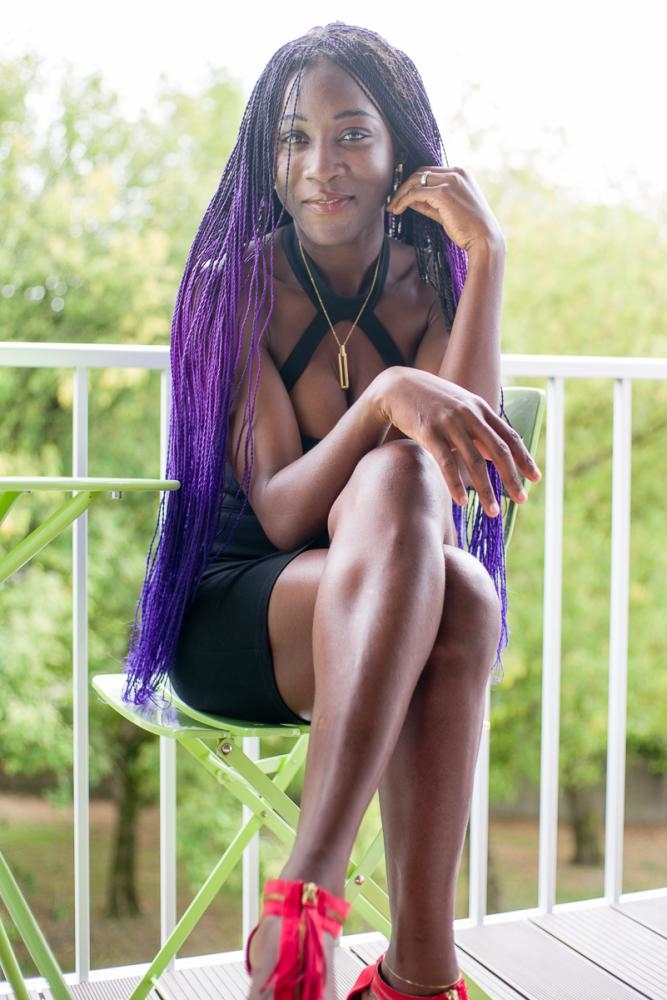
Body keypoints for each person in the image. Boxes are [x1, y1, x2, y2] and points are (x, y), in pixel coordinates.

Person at [124, 21, 541, 1000]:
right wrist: (384, 395)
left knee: (457, 582)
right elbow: (277, 512)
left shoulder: (432, 284)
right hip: (245, 614)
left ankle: (390, 960)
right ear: (268, 161)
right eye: (294, 139)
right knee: (417, 516)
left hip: (396, 612)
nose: (321, 165)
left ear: (401, 153)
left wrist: (486, 254)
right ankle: (333, 901)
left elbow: (457, 490)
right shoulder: (233, 287)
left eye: (352, 133)